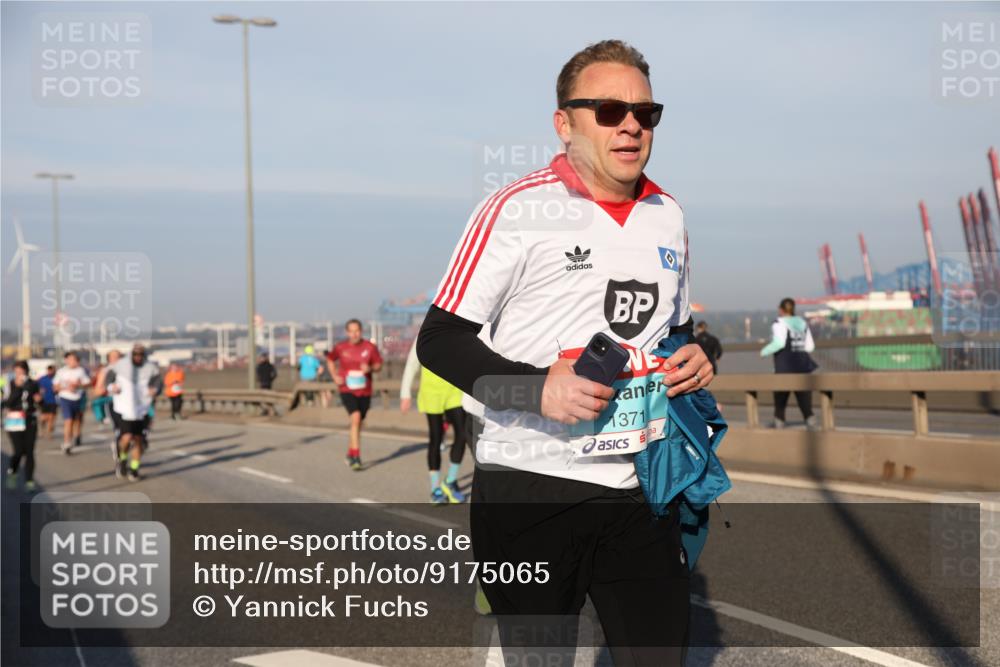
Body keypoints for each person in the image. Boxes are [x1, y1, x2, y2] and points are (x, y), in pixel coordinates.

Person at [417, 40, 713, 665]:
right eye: (609, 110)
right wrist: (536, 388)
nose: (631, 124)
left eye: (645, 112)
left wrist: (695, 356)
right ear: (565, 123)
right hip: (530, 486)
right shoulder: (515, 209)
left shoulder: (669, 216)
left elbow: (676, 334)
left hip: (639, 485)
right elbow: (439, 341)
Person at [400, 338, 468, 504]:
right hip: (432, 392)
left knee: (463, 434)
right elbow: (412, 365)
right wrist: (405, 393)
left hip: (454, 390)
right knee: (436, 438)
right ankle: (435, 488)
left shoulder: (458, 329)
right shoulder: (425, 333)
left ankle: (450, 481)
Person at [327, 319, 383, 471]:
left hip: (365, 390)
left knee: (357, 423)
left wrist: (370, 368)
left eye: (357, 330)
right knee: (356, 417)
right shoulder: (340, 347)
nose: (354, 334)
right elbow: (330, 359)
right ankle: (356, 457)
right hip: (347, 389)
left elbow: (378, 365)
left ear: (361, 331)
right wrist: (334, 376)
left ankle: (350, 453)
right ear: (347, 332)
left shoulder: (370, 347)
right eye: (351, 331)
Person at [106, 344, 162, 481]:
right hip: (125, 409)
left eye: (140, 355)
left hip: (142, 410)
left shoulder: (151, 368)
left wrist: (155, 390)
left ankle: (134, 468)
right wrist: (112, 387)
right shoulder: (120, 366)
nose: (137, 357)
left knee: (139, 441)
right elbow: (109, 379)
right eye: (135, 355)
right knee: (126, 438)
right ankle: (123, 459)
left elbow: (159, 383)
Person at [760, 297, 818, 429]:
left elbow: (779, 343)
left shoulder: (779, 323)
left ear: (781, 309)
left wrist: (764, 351)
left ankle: (779, 427)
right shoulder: (802, 323)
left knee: (780, 400)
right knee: (804, 400)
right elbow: (810, 347)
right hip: (803, 366)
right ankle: (812, 426)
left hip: (785, 367)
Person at [3, 361, 42, 492]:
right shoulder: (10, 384)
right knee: (18, 451)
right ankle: (12, 472)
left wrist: (39, 399)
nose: (20, 374)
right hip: (14, 420)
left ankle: (29, 480)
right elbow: (7, 403)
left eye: (22, 371)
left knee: (30, 452)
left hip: (30, 419)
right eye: (17, 372)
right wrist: (18, 388)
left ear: (26, 371)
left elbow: (39, 402)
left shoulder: (32, 384)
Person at [53, 351, 91, 454]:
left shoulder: (81, 371)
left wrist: (78, 385)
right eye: (70, 359)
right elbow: (55, 387)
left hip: (78, 398)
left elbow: (87, 384)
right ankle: (67, 443)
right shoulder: (61, 372)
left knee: (77, 420)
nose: (72, 362)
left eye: (74, 360)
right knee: (68, 420)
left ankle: (77, 435)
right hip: (65, 398)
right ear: (66, 360)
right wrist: (65, 387)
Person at [36, 365, 58, 437]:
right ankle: (42, 426)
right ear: (47, 370)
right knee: (44, 417)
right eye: (50, 370)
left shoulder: (56, 378)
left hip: (53, 400)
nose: (51, 372)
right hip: (44, 400)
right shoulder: (42, 379)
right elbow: (35, 386)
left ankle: (49, 433)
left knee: (52, 417)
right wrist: (39, 392)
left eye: (53, 370)